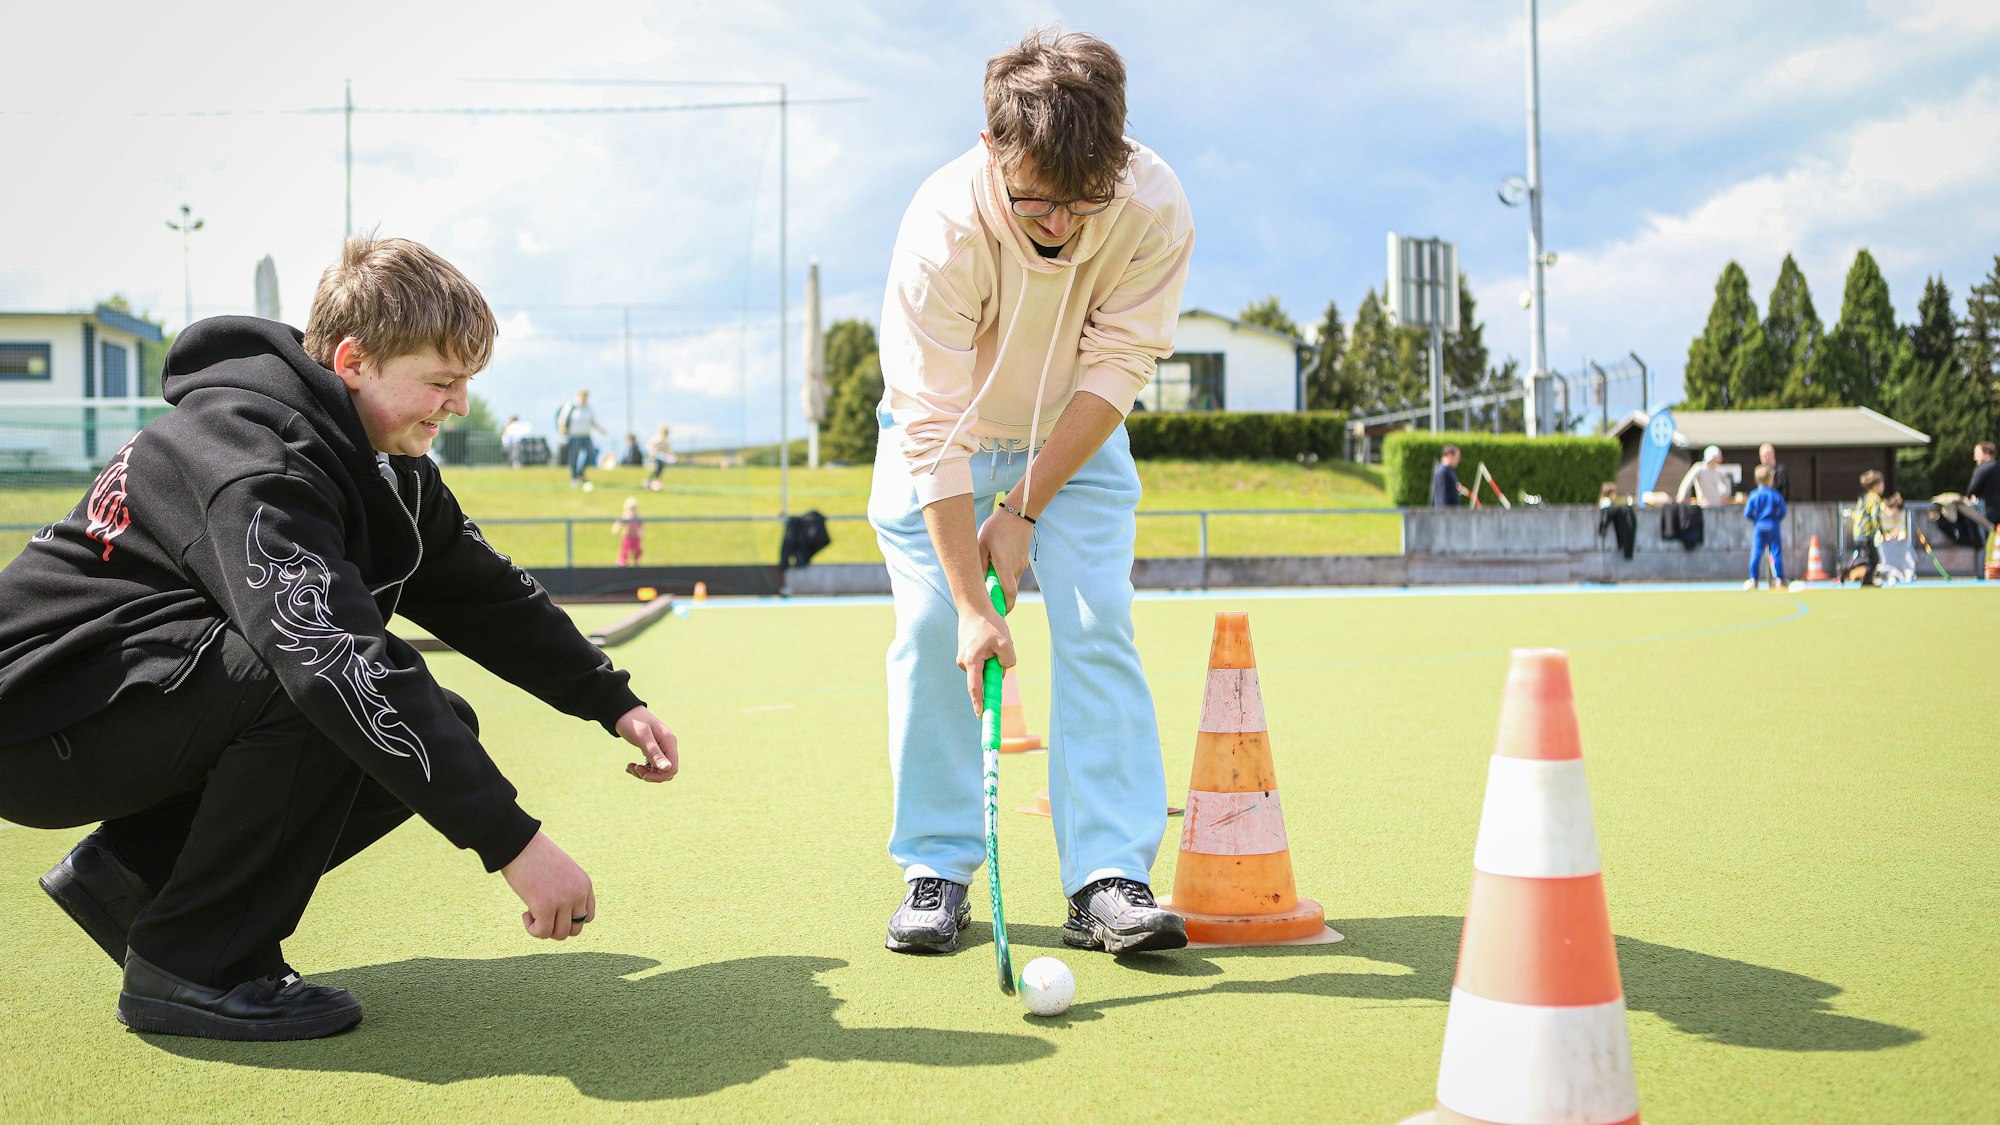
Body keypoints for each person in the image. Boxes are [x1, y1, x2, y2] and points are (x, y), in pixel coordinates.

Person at [0, 236, 681, 1042]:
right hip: (37, 721)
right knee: (317, 683)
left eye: (467, 382)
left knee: (437, 720)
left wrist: (608, 697)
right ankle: (194, 963)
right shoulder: (254, 455)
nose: (460, 405)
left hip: (120, 697)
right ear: (354, 360)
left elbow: (482, 590)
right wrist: (514, 842)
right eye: (441, 382)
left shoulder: (377, 457)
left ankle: (133, 878)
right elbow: (331, 659)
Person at [869, 28, 1194, 957]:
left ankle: (1108, 877)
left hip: (1074, 439)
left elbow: (1119, 366)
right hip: (945, 443)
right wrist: (976, 605)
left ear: (1117, 159)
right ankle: (936, 868)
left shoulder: (1153, 204)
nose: (1058, 223)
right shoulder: (942, 229)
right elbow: (930, 427)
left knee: (1098, 623)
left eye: (1084, 200)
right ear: (992, 148)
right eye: (1036, 199)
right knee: (934, 632)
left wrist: (1023, 510)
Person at [1743, 463, 1787, 589]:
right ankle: (1779, 579)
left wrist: (1756, 520)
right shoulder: (1775, 495)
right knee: (1776, 553)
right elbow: (1783, 511)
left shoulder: (1753, 495)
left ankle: (1754, 579)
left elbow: (1747, 513)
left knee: (1756, 553)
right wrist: (1776, 519)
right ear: (1770, 480)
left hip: (1759, 527)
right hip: (1773, 526)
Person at [555, 388, 605, 490]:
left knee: (591, 454)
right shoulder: (572, 406)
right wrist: (562, 429)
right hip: (574, 436)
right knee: (574, 457)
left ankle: (580, 473)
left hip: (586, 435)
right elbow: (562, 419)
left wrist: (601, 430)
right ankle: (574, 477)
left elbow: (593, 421)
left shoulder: (588, 408)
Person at [1849, 469, 1887, 586]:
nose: (1883, 486)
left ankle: (1866, 578)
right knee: (1873, 558)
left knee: (1868, 557)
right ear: (1876, 485)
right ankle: (1859, 576)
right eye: (1882, 483)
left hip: (1858, 533)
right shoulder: (1875, 498)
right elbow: (1875, 516)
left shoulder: (1863, 497)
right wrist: (1881, 531)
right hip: (1866, 533)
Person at [1966, 441, 1999, 557]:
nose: (1975, 457)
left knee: (1980, 541)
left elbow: (1971, 491)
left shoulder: (1982, 469)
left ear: (1986, 453)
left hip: (1988, 511)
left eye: (1977, 453)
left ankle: (1978, 565)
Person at [614, 497, 645, 567]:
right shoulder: (626, 516)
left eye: (634, 508)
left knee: (638, 550)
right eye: (630, 509)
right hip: (627, 537)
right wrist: (616, 528)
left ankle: (635, 561)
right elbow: (619, 522)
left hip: (636, 537)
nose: (632, 511)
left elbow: (641, 526)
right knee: (625, 550)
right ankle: (622, 562)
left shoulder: (637, 517)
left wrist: (641, 533)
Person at [646, 424, 674, 491]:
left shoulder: (666, 440)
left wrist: (669, 455)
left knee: (660, 470)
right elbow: (650, 445)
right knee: (657, 469)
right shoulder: (657, 438)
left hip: (661, 457)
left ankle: (654, 484)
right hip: (654, 456)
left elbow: (668, 450)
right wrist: (653, 451)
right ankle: (650, 483)